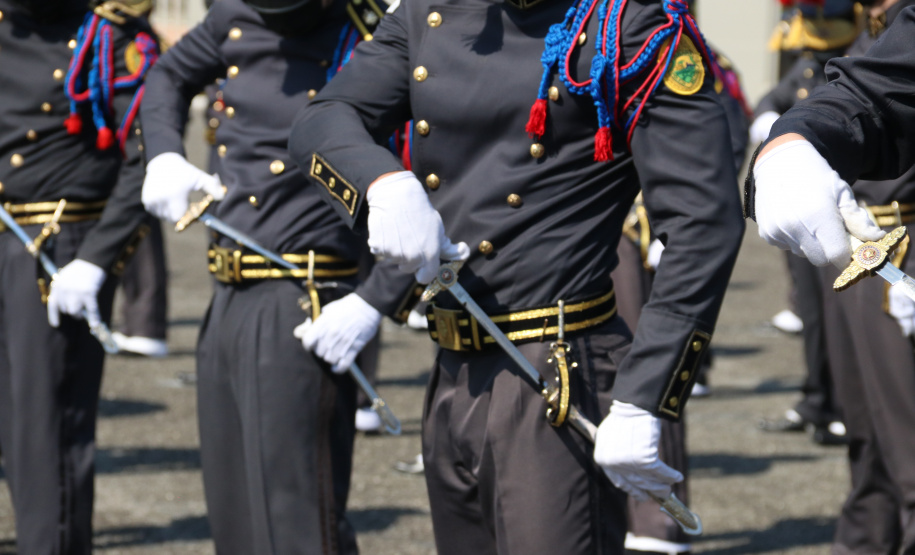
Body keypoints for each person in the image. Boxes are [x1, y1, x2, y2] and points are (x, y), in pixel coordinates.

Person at [290, 0, 744, 552]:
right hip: (453, 368)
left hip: (557, 372)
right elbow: (323, 117)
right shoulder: (429, 11)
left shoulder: (628, 25)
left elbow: (704, 221)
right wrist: (380, 182)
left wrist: (645, 394)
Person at [138, 0, 417, 553]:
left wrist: (379, 296)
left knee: (298, 523)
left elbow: (430, 170)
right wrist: (164, 153)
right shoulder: (234, 15)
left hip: (303, 297)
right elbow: (168, 74)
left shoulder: (371, 27)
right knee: (235, 518)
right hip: (225, 290)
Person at [750, 4, 915, 552]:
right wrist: (791, 141)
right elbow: (866, 96)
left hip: (902, 245)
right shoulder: (876, 40)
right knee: (862, 419)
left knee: (905, 430)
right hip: (855, 243)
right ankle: (864, 538)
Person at [0, 0, 158, 552]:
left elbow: (149, 157)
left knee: (49, 433)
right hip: (7, 233)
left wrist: (97, 258)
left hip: (58, 248)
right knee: (14, 430)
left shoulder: (107, 37)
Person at [752, 0, 859, 446]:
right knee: (814, 316)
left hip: (853, 210)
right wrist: (771, 121)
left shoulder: (862, 54)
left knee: (845, 322)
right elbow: (778, 96)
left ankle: (845, 408)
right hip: (810, 205)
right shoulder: (812, 61)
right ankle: (819, 399)